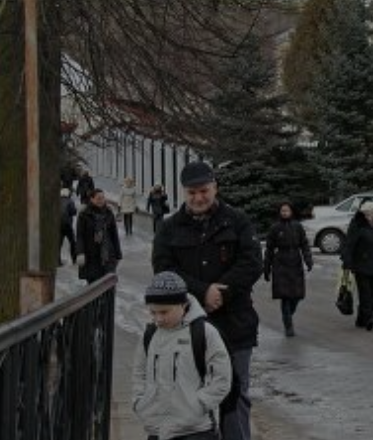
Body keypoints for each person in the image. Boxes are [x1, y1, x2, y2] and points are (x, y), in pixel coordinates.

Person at [153, 161, 263, 440]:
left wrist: (222, 292)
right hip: (189, 329)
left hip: (235, 324)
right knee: (190, 397)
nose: (198, 198)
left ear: (215, 187)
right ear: (183, 193)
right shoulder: (169, 228)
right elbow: (164, 269)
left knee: (235, 395)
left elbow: (251, 262)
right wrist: (203, 292)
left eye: (203, 191)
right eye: (192, 193)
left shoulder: (237, 221)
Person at [133, 271, 232, 440]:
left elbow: (222, 378)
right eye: (153, 312)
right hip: (157, 428)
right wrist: (140, 402)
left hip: (196, 430)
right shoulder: (150, 335)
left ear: (183, 305)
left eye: (164, 312)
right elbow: (139, 372)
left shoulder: (204, 333)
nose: (158, 319)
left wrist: (199, 405)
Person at [263, 202, 313, 337]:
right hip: (280, 263)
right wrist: (266, 268)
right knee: (285, 296)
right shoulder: (275, 228)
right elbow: (269, 249)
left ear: (291, 212)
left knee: (297, 296)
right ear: (280, 212)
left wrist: (308, 260)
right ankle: (288, 325)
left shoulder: (297, 226)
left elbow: (304, 244)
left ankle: (288, 314)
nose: (285, 213)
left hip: (295, 261)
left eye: (287, 210)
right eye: (283, 211)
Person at [340, 200, 373, 331]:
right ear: (368, 212)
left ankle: (361, 318)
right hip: (361, 264)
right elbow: (349, 244)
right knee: (365, 293)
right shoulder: (357, 224)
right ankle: (369, 318)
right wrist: (347, 262)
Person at [76, 188, 121, 283]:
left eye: (103, 198)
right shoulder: (84, 215)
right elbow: (80, 236)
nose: (101, 201)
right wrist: (80, 253)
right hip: (91, 256)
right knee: (94, 285)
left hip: (108, 255)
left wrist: (118, 254)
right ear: (92, 199)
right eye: (98, 198)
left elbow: (114, 234)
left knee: (109, 284)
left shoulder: (108, 213)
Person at [59, 187, 78, 265]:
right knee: (72, 242)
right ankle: (74, 259)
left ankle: (57, 261)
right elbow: (74, 212)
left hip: (59, 225)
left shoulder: (57, 201)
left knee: (59, 243)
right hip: (67, 225)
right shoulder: (70, 201)